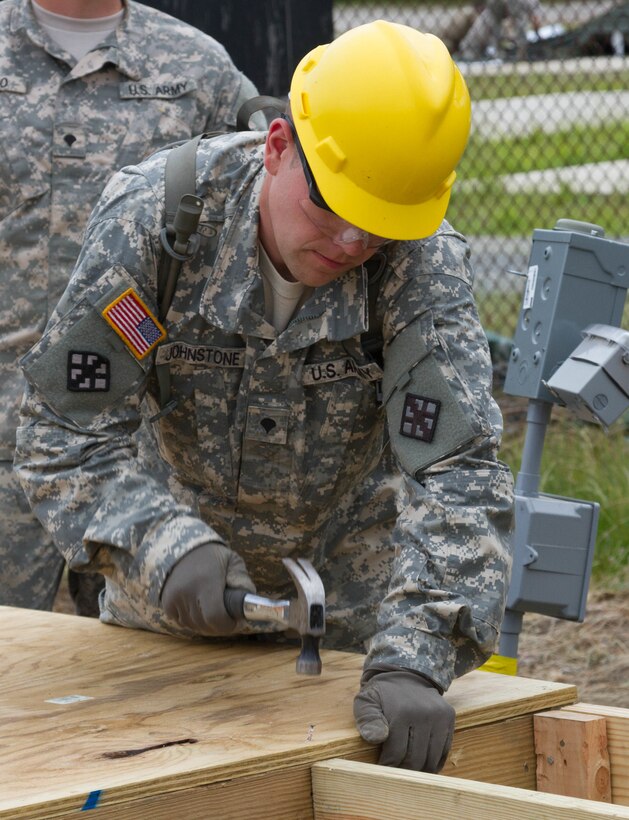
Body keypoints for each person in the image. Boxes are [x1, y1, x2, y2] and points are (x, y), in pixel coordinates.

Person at [16, 21, 515, 773]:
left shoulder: (417, 267)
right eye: (329, 205)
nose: (350, 242)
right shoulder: (161, 223)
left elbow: (460, 473)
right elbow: (63, 433)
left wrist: (417, 654)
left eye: (377, 225)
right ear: (278, 146)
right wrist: (160, 547)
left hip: (353, 643)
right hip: (172, 623)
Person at [0, 0, 263, 616]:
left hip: (139, 453)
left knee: (144, 682)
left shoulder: (199, 68)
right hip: (6, 433)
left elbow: (270, 202)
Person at [458, 0, 544, 60]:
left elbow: (534, 19)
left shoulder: (530, 5)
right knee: (483, 29)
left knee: (492, 28)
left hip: (504, 13)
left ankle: (518, 55)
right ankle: (468, 51)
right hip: (496, 11)